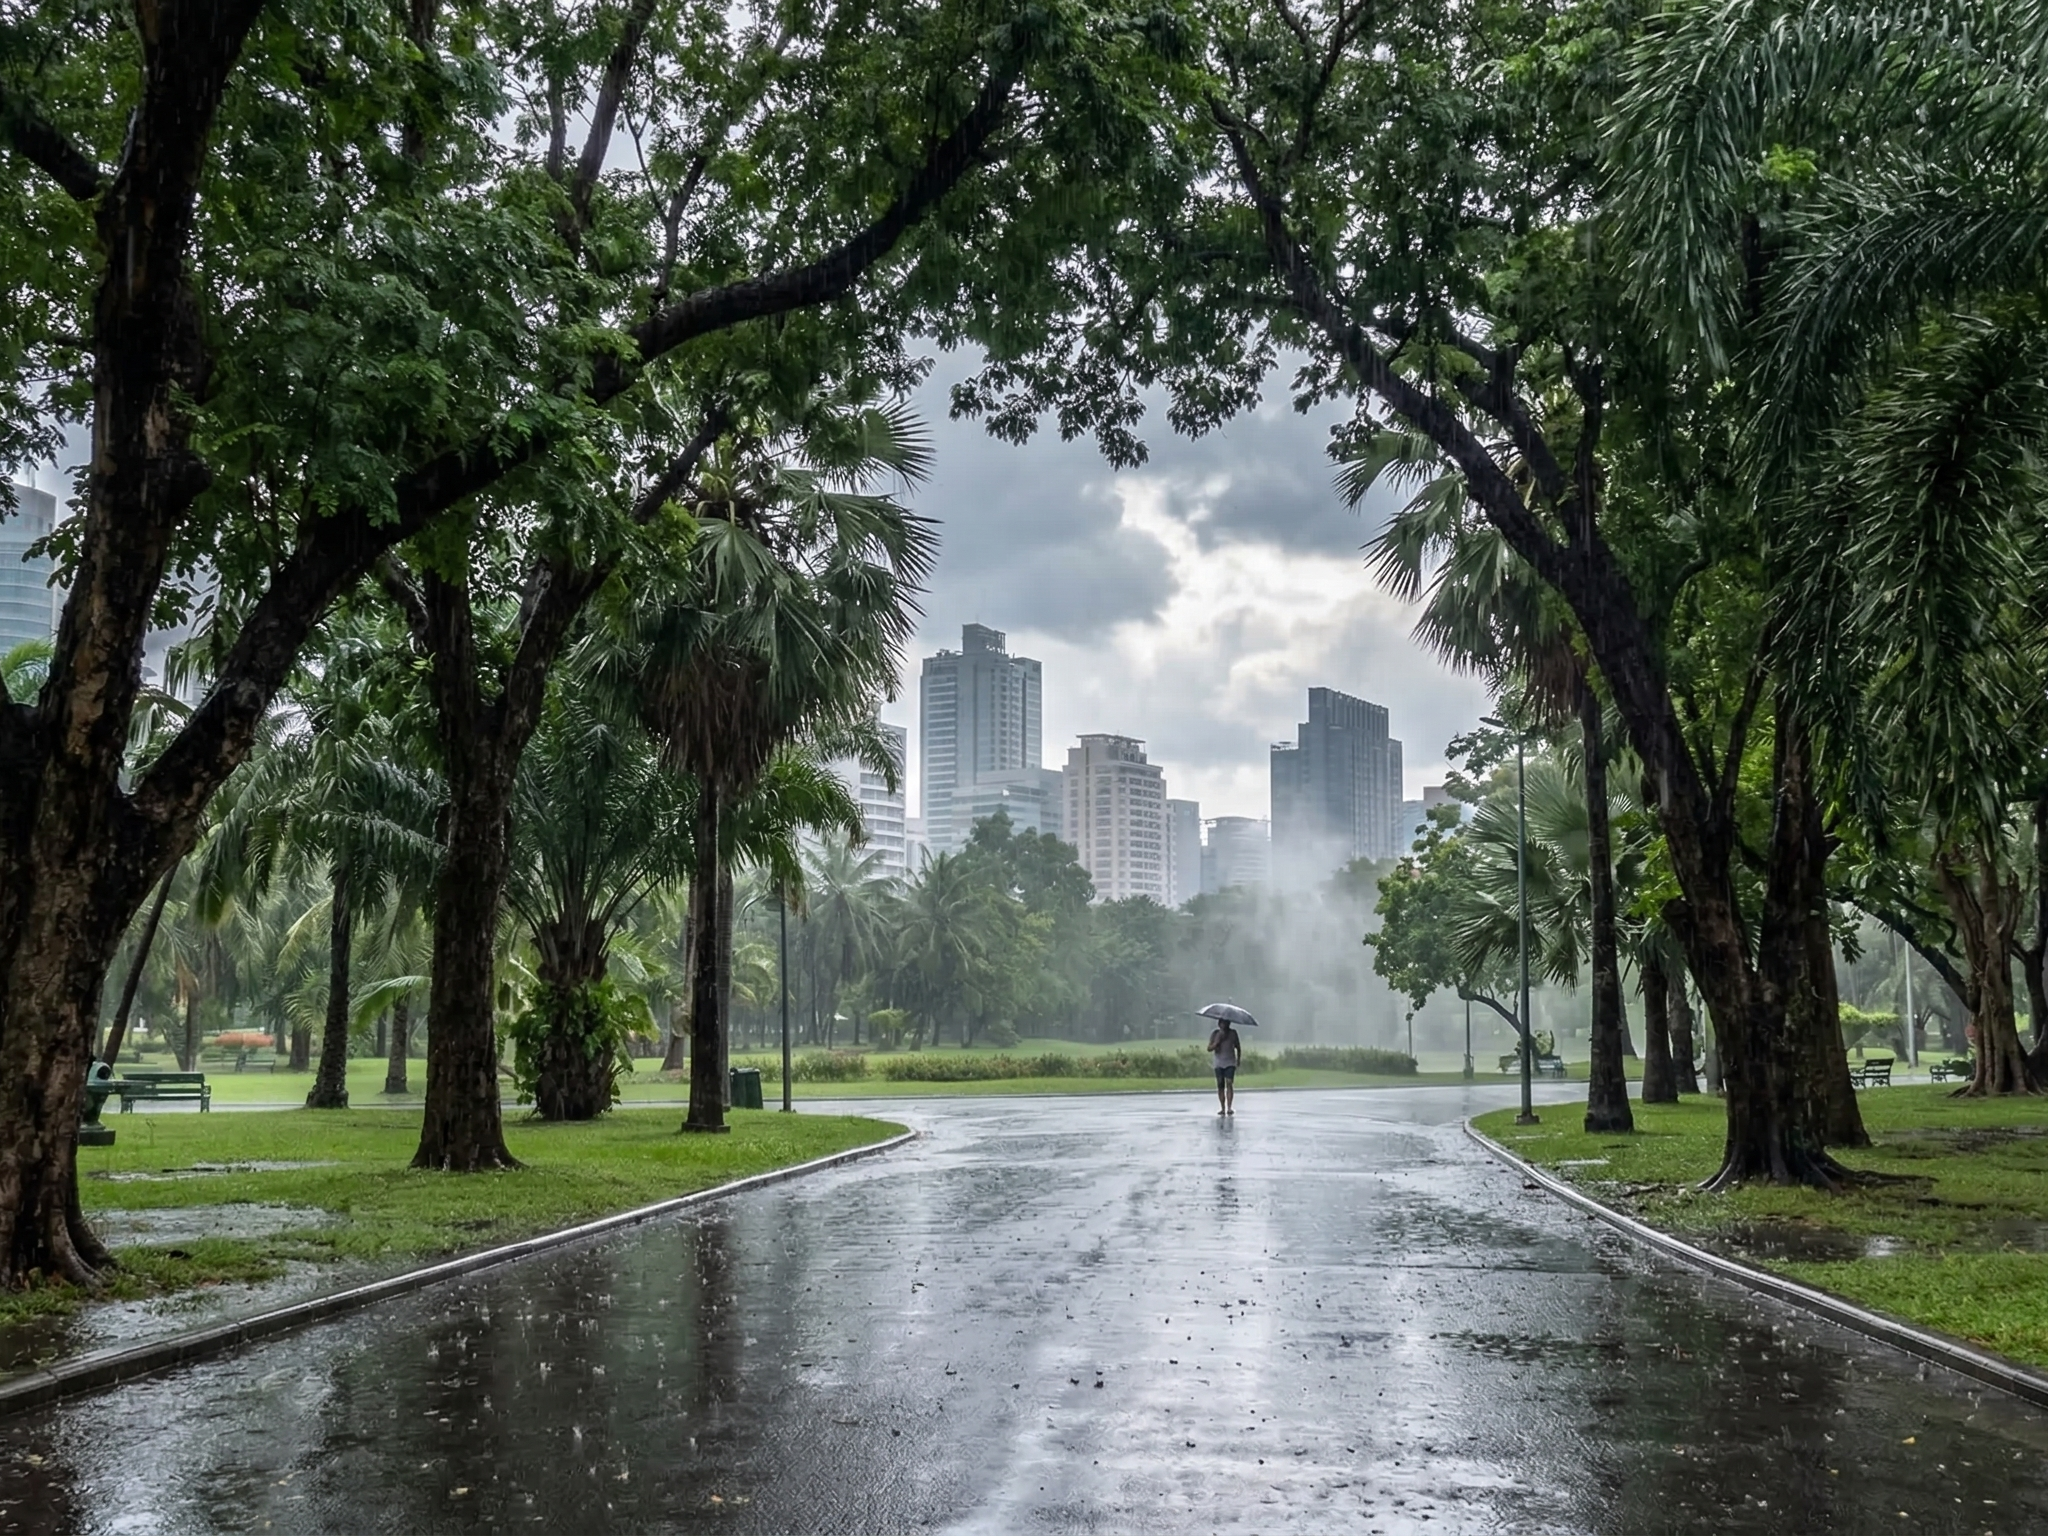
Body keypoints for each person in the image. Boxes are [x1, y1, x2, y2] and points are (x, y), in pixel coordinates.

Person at [1208, 1018, 1241, 1116]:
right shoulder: (1215, 1034)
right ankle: (1222, 1107)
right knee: (1220, 1084)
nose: (1223, 1025)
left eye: (1226, 1023)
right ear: (1219, 1024)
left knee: (1229, 1083)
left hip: (1230, 1061)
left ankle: (1229, 1107)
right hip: (1219, 1062)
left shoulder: (1233, 1033)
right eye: (1222, 1023)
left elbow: (1238, 1047)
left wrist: (1238, 1059)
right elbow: (1209, 1048)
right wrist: (1216, 1042)